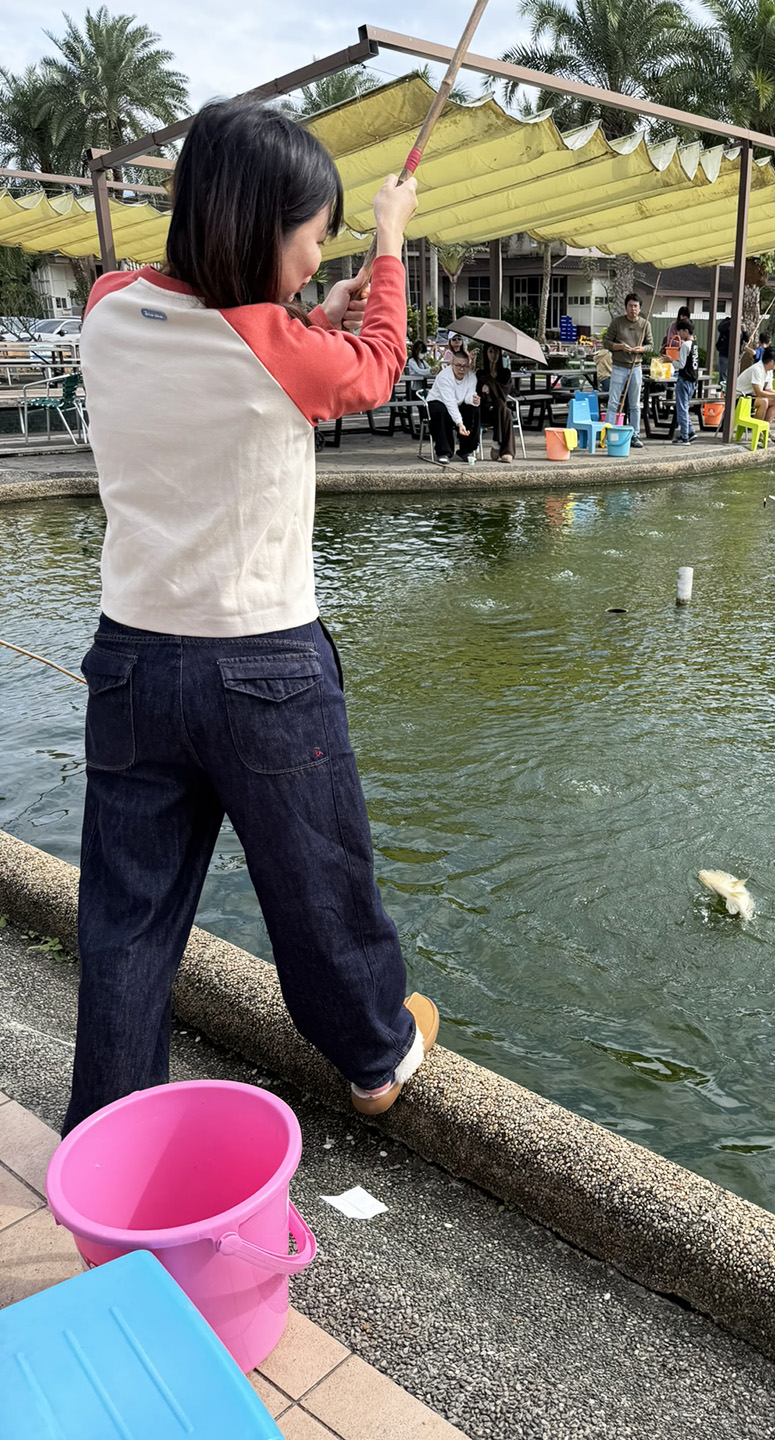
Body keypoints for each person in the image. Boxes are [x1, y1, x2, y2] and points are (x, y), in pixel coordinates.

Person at [67, 99, 435, 1134]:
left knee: (127, 917)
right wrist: (390, 241)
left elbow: (236, 341)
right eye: (313, 240)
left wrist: (316, 313)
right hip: (264, 667)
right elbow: (376, 367)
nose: (319, 262)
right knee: (319, 887)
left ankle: (108, 1136)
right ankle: (373, 1057)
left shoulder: (106, 308)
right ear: (253, 228)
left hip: (132, 664)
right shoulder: (278, 345)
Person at [602, 291, 650, 447]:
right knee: (613, 403)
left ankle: (635, 435)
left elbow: (650, 345)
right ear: (625, 307)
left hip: (636, 367)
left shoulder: (645, 324)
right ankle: (608, 435)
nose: (633, 309)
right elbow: (606, 342)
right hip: (618, 367)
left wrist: (641, 349)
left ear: (639, 308)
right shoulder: (617, 322)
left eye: (635, 306)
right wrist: (620, 347)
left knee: (635, 404)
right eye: (630, 306)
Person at [426, 345, 481, 462]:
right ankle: (443, 452)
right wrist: (460, 424)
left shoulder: (471, 377)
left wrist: (473, 400)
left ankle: (466, 450)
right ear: (452, 364)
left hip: (459, 404)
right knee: (441, 411)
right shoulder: (444, 377)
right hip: (439, 402)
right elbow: (449, 401)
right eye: (458, 365)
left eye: (465, 366)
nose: (462, 369)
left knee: (473, 409)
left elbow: (467, 396)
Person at [476, 341, 516, 462]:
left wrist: (490, 385)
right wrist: (483, 390)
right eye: (491, 351)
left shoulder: (505, 373)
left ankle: (497, 443)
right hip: (485, 411)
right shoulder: (481, 374)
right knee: (506, 412)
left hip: (499, 409)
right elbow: (478, 395)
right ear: (486, 353)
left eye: (496, 352)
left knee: (501, 406)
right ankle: (506, 450)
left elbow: (503, 394)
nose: (494, 355)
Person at [736, 344, 775, 423]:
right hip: (740, 397)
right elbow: (759, 393)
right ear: (772, 362)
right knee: (763, 401)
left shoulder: (769, 371)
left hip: (750, 396)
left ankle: (766, 428)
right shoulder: (757, 369)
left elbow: (768, 389)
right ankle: (756, 428)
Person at [671, 315, 698, 444]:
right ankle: (691, 431)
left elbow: (680, 365)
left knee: (681, 408)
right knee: (685, 407)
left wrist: (670, 360)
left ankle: (684, 437)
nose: (678, 334)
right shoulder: (694, 344)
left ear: (685, 331)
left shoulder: (685, 345)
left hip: (684, 379)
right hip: (692, 380)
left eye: (680, 331)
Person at [715, 314, 731, 384]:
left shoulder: (742, 323)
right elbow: (720, 328)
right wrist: (731, 322)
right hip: (724, 353)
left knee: (733, 375)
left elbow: (746, 338)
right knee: (723, 375)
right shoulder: (726, 321)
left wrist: (745, 331)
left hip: (736, 355)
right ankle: (721, 389)